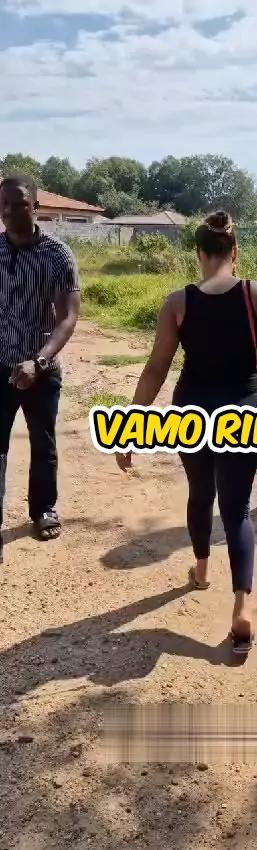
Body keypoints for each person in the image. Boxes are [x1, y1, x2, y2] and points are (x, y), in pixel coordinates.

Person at [116, 211, 257, 654]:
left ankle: (203, 571)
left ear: (199, 255)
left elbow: (155, 370)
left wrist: (129, 429)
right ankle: (242, 607)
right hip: (243, 413)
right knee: (237, 510)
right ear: (235, 253)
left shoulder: (178, 303)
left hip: (192, 410)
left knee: (200, 493)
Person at [0, 175, 81, 563]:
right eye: (4, 204)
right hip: (0, 365)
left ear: (35, 207)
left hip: (41, 368)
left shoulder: (57, 255)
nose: (9, 211)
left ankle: (43, 509)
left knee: (43, 443)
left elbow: (68, 317)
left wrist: (40, 361)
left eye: (18, 203)